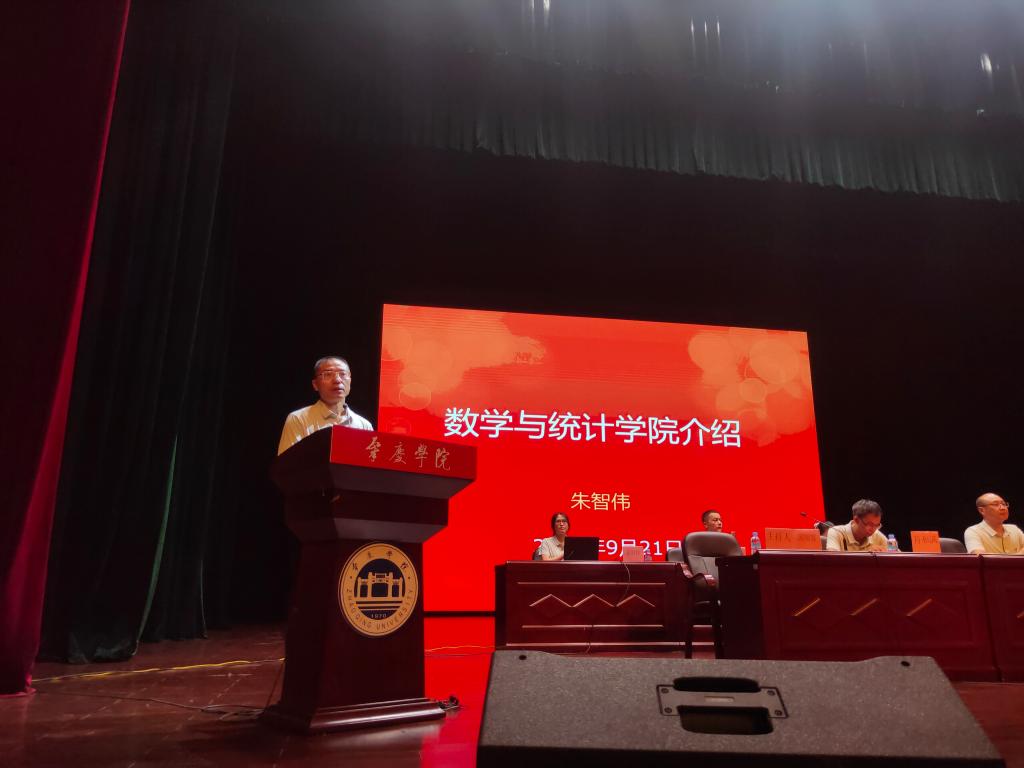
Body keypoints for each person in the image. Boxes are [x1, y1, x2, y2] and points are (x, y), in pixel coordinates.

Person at [277, 356, 373, 455]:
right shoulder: (298, 419)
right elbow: (287, 463)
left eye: (343, 374)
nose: (337, 380)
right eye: (328, 374)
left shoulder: (364, 425)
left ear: (350, 380)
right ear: (315, 384)